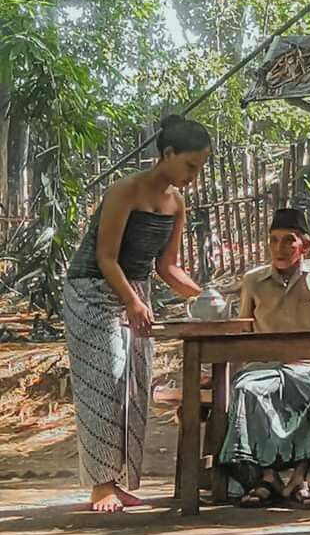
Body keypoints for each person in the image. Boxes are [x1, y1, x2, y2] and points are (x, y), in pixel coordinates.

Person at [63, 114, 211, 513]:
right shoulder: (124, 191)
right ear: (168, 153)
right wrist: (131, 301)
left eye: (199, 168)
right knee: (106, 380)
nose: (193, 176)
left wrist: (206, 295)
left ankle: (120, 480)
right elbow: (106, 257)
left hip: (136, 294)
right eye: (190, 165)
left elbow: (167, 267)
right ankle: (101, 484)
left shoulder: (176, 204)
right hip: (93, 290)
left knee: (136, 385)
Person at [219, 207, 310, 508]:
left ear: (306, 245)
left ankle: (300, 478)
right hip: (262, 366)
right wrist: (231, 372)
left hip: (308, 366)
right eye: (274, 240)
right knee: (247, 390)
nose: (280, 248)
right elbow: (243, 328)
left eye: (289, 240)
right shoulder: (253, 280)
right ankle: (267, 478)